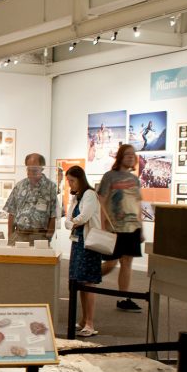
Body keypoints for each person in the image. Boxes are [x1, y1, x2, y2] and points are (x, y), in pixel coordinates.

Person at [98, 144, 144, 312]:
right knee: (111, 263)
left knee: (127, 262)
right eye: (127, 154)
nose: (131, 157)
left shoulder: (135, 179)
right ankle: (86, 280)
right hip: (114, 227)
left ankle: (123, 298)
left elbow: (137, 204)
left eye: (133, 154)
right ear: (120, 157)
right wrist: (102, 225)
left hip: (132, 228)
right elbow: (101, 200)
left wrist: (141, 228)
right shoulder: (110, 176)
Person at [64, 165, 102, 337]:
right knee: (79, 282)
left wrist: (72, 222)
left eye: (72, 180)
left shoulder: (89, 194)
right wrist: (72, 222)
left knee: (88, 283)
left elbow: (83, 217)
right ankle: (83, 319)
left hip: (88, 245)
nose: (70, 184)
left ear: (80, 179)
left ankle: (90, 322)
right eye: (68, 181)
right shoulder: (76, 197)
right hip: (78, 243)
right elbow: (68, 219)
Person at [3, 153, 57, 245]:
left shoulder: (51, 187)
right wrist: (10, 236)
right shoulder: (19, 186)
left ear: (42, 168)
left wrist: (48, 236)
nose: (31, 173)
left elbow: (54, 214)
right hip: (19, 235)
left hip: (39, 237)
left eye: (34, 170)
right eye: (28, 169)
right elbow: (11, 212)